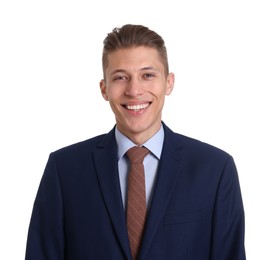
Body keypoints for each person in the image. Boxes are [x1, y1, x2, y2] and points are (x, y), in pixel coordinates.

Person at [25, 24, 246, 260]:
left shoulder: (215, 169)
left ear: (168, 83)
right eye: (120, 77)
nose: (134, 90)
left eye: (148, 75)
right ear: (104, 88)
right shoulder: (64, 169)